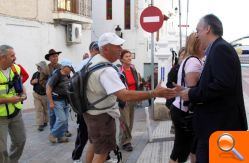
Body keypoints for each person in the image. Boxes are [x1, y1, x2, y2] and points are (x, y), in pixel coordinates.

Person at [83, 32, 177, 163]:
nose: (120, 49)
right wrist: (154, 93)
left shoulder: (92, 62)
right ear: (105, 48)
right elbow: (124, 95)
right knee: (102, 152)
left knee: (93, 144)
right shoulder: (106, 70)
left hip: (91, 112)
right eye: (117, 46)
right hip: (101, 116)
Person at [179, 14, 248, 163]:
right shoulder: (216, 49)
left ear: (208, 29)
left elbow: (222, 85)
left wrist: (192, 93)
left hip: (221, 128)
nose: (197, 35)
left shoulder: (220, 49)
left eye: (198, 31)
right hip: (215, 127)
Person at [169, 32, 204, 163]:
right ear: (198, 44)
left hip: (180, 109)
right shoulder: (194, 62)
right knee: (180, 152)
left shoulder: (189, 60)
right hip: (184, 111)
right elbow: (192, 91)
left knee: (187, 148)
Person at [72, 41, 100, 163]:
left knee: (100, 135)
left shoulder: (101, 64)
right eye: (96, 49)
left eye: (100, 49)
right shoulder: (84, 64)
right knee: (83, 134)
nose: (98, 52)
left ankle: (104, 157)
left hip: (98, 107)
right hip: (85, 107)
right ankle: (76, 157)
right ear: (91, 51)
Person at [0, 45, 27, 163]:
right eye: (12, 56)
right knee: (1, 150)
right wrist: (9, 100)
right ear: (3, 57)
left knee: (20, 141)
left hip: (16, 113)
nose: (15, 58)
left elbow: (20, 84)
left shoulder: (16, 68)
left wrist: (24, 93)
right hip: (1, 117)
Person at [41, 49, 72, 137]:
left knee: (63, 116)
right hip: (51, 94)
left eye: (56, 56)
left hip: (62, 96)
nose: (55, 58)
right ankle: (53, 132)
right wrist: (50, 84)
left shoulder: (61, 66)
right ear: (49, 58)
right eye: (53, 56)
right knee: (52, 115)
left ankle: (64, 131)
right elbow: (41, 81)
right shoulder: (46, 68)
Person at [46, 59, 74, 143]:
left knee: (64, 120)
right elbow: (48, 89)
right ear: (64, 67)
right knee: (61, 119)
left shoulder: (67, 75)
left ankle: (60, 137)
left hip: (65, 100)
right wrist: (51, 102)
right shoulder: (56, 75)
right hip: (57, 101)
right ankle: (53, 134)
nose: (71, 69)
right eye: (70, 67)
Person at [119, 49, 140, 152]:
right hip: (124, 99)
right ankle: (126, 142)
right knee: (125, 121)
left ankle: (124, 140)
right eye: (127, 56)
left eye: (130, 56)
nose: (129, 58)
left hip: (133, 98)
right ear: (122, 59)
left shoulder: (133, 68)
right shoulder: (119, 71)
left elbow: (136, 82)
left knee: (130, 121)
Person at [30, 61, 49, 131]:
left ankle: (45, 121)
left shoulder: (47, 75)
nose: (38, 68)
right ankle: (40, 124)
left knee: (45, 110)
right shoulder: (35, 74)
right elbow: (31, 82)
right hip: (36, 94)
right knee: (38, 109)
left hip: (45, 95)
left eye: (39, 66)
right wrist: (33, 82)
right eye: (38, 66)